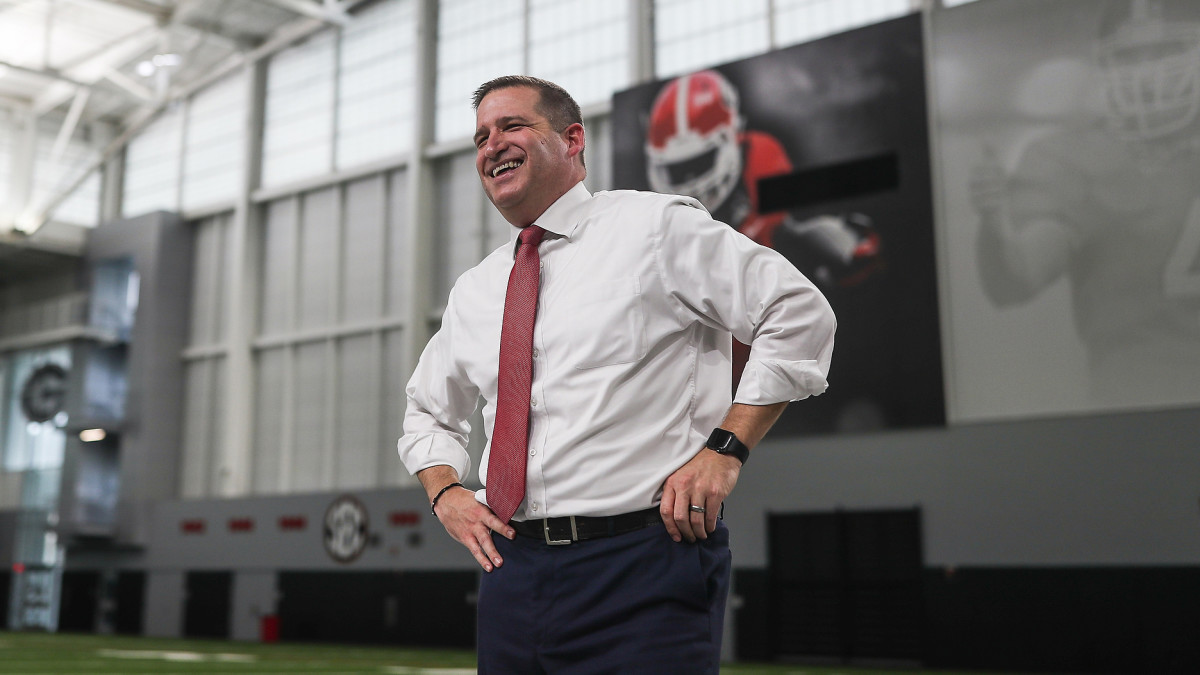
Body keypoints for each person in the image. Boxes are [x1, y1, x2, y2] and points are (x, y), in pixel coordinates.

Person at [397, 75, 835, 674]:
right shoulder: (475, 290)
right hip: (513, 571)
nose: (491, 145)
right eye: (480, 137)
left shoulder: (655, 228)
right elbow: (426, 409)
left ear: (572, 139)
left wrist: (725, 450)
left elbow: (798, 311)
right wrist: (446, 492)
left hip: (646, 562)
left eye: (512, 126)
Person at [970, 0, 1200, 406]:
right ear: (1105, 67)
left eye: (1167, 52)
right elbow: (1016, 277)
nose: (1150, 75)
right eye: (1130, 56)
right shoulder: (1074, 158)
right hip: (1142, 403)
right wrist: (995, 224)